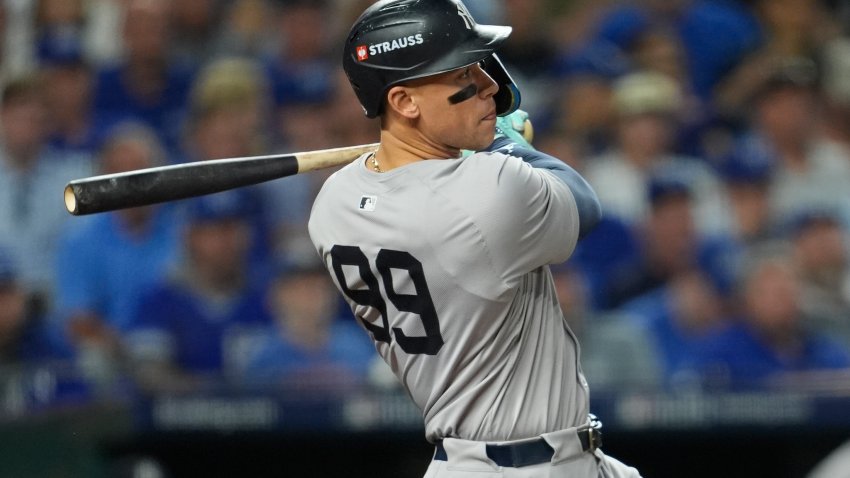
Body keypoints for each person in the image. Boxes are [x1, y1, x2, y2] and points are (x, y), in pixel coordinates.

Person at [308, 1, 639, 477]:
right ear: (403, 102)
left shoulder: (334, 203)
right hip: (529, 465)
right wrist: (508, 142)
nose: (489, 87)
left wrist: (466, 145)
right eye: (464, 77)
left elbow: (418, 176)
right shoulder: (488, 192)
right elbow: (583, 203)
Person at [124, 190, 273, 393]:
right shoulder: (160, 299)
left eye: (234, 228)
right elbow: (149, 373)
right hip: (180, 421)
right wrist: (213, 397)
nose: (228, 241)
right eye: (216, 230)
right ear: (190, 237)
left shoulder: (269, 295)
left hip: (271, 420)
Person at [241, 255, 376, 391]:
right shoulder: (263, 355)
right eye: (301, 287)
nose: (314, 296)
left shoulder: (356, 344)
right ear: (278, 296)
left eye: (321, 286)